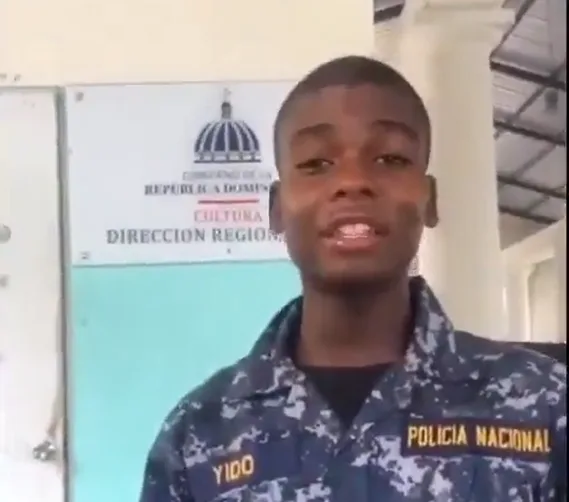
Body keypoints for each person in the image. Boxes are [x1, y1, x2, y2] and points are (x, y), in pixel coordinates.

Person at [139, 56, 567, 501]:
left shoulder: (546, 406)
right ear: (277, 209)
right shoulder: (198, 435)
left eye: (390, 158)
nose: (353, 181)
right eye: (315, 163)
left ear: (430, 200)